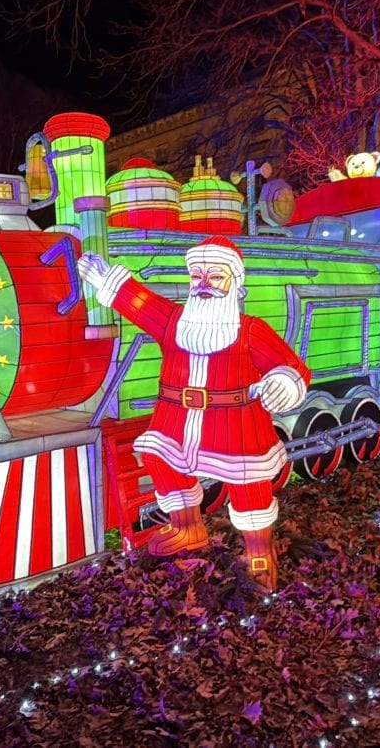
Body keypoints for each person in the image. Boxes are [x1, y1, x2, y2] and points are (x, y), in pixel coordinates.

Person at [78, 235, 310, 591]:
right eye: (196, 276)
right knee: (158, 456)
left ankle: (259, 552)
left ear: (235, 281)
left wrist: (284, 380)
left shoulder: (249, 330)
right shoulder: (174, 321)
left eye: (215, 276)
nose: (203, 285)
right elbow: (140, 303)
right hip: (175, 420)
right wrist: (106, 278)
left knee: (248, 482)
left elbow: (288, 364)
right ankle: (187, 528)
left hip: (234, 424)